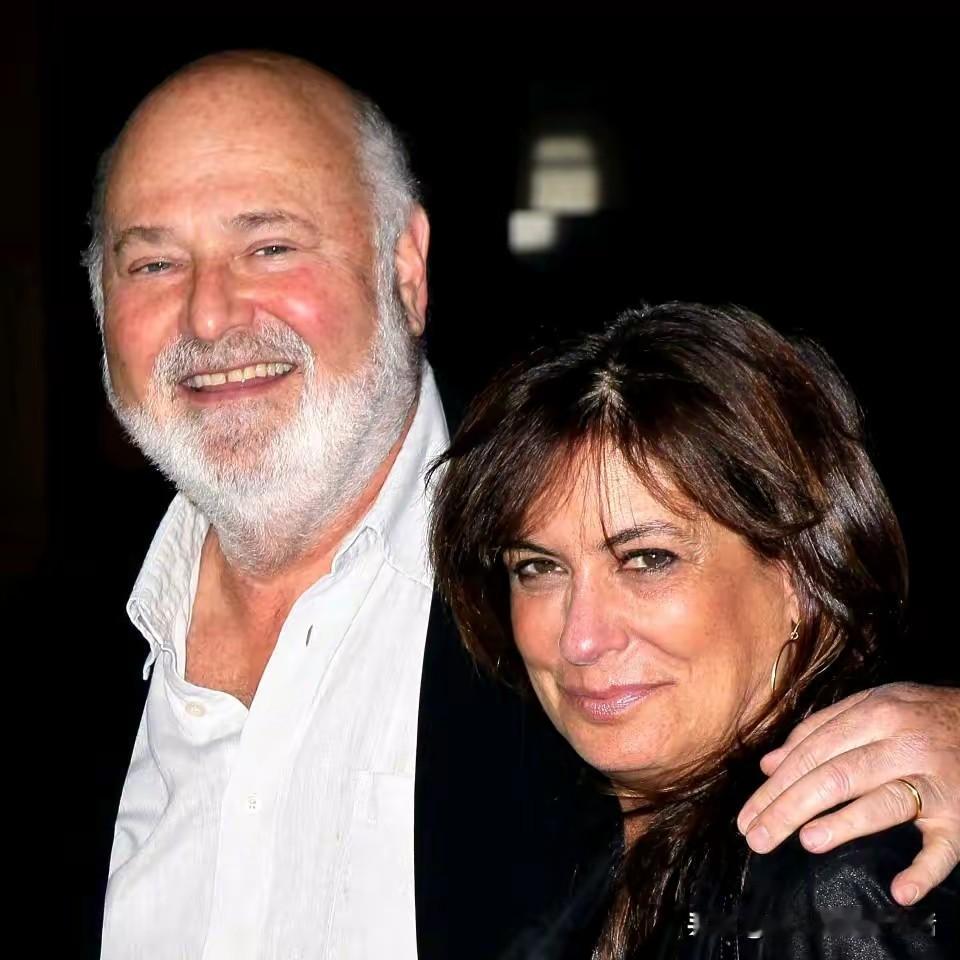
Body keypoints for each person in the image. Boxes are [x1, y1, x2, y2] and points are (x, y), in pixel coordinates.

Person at [85, 50, 960, 959]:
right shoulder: (47, 647)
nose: (210, 315)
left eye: (270, 247)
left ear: (406, 267)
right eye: (152, 263)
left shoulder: (580, 602)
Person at [430, 301, 959, 958]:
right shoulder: (561, 847)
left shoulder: (840, 877)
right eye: (538, 567)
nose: (580, 639)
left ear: (801, 575)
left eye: (648, 559)